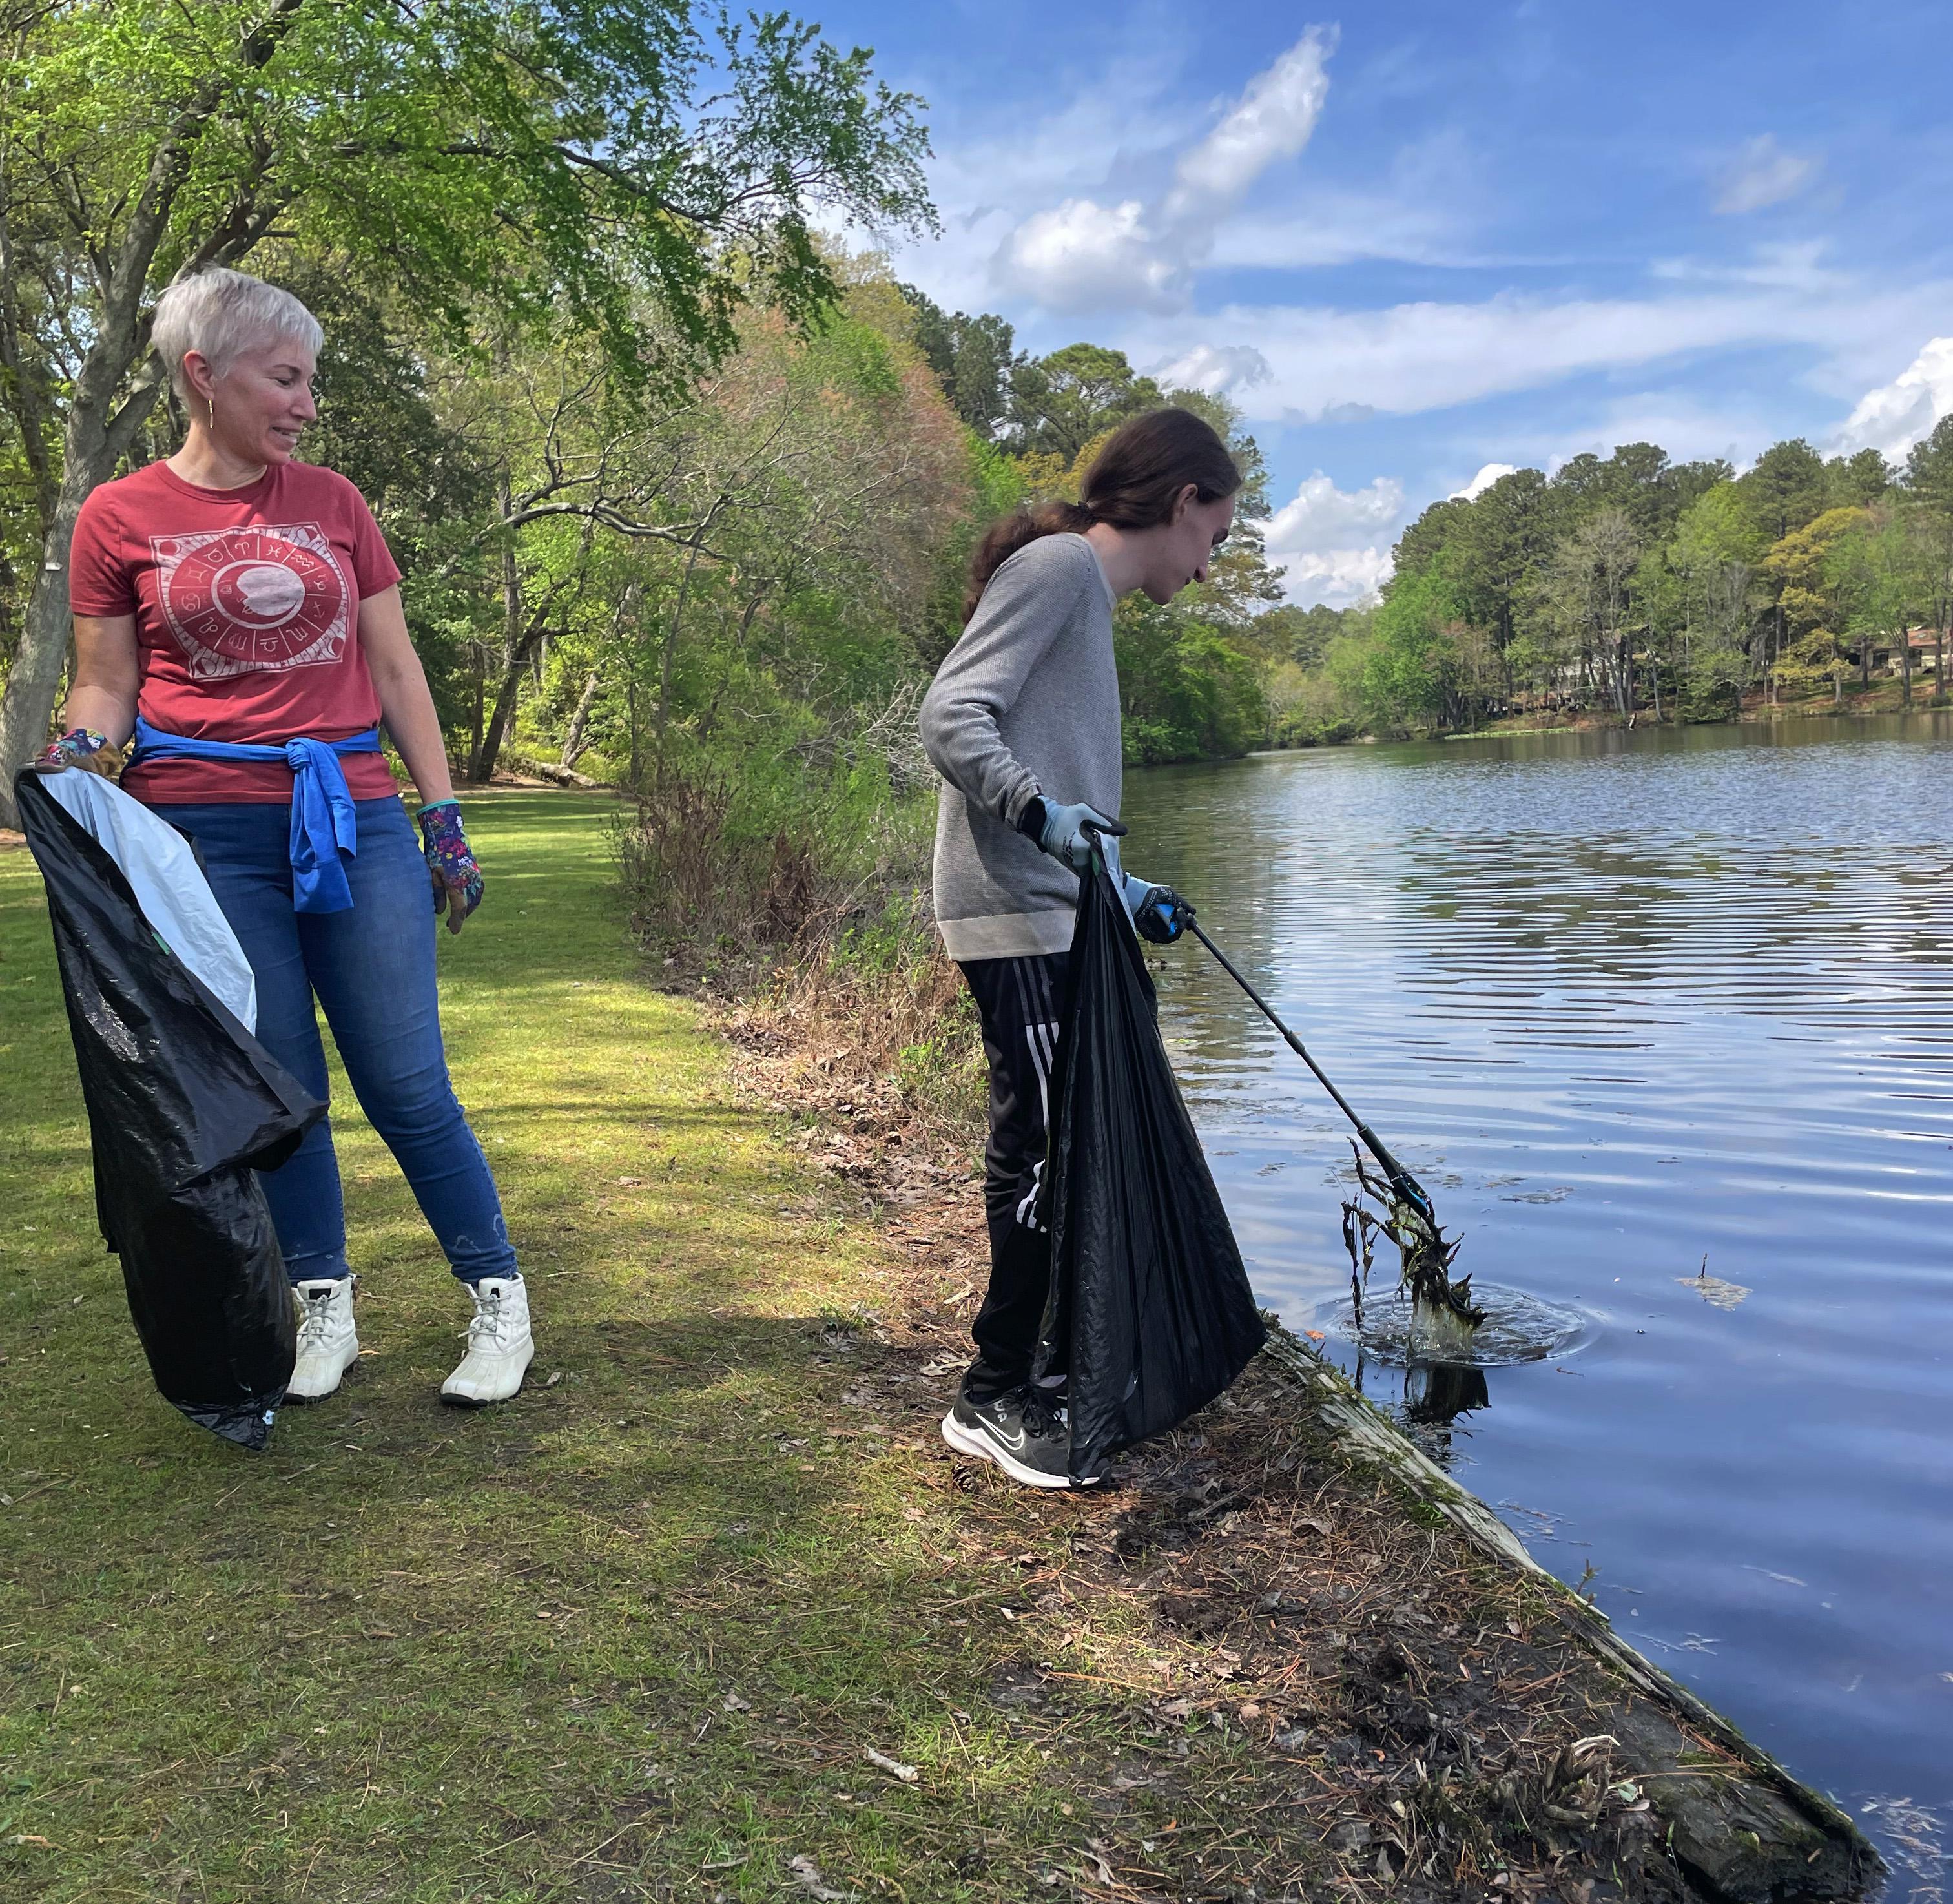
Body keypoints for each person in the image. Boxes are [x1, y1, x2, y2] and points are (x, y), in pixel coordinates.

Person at [35, 266, 535, 1407]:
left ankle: (498, 1299)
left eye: (312, 380)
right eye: (287, 377)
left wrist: (443, 816)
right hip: (202, 839)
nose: (308, 403)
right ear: (203, 377)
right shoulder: (120, 517)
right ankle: (325, 1308)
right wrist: (72, 778)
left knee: (408, 1081)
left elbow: (396, 668)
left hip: (350, 817)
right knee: (281, 1085)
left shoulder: (334, 503)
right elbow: (108, 686)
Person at [919, 407, 1241, 1487]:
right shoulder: (1058, 570)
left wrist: (1122, 884)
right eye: (1218, 537)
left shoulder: (1091, 608)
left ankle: (1057, 1373)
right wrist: (1037, 812)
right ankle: (995, 1396)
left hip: (1066, 911)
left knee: (1076, 1144)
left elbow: (1063, 789)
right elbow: (952, 713)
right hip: (1014, 914)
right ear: (1182, 501)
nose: (1210, 566)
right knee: (1049, 1151)